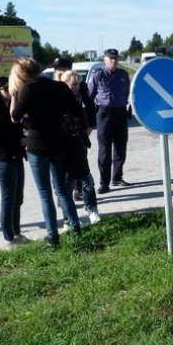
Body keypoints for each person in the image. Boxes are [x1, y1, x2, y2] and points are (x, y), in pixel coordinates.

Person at [9, 57, 82, 248]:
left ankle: (53, 238)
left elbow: (15, 117)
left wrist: (14, 95)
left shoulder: (27, 90)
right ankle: (76, 228)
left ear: (22, 74)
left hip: (37, 146)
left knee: (45, 194)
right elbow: (77, 110)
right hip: (59, 143)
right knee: (63, 190)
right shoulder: (59, 87)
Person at [0, 76, 27, 243]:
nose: (9, 91)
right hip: (2, 160)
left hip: (17, 157)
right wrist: (18, 141)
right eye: (4, 89)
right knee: (8, 198)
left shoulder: (14, 109)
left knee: (18, 198)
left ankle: (16, 233)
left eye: (11, 87)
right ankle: (9, 238)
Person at [52, 57, 96, 202]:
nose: (60, 72)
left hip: (79, 131)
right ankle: (63, 197)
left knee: (81, 162)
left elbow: (89, 105)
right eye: (58, 69)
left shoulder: (79, 85)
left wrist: (90, 126)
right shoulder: (53, 87)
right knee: (64, 168)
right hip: (61, 135)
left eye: (63, 69)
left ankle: (78, 191)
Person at [87, 48, 131, 194]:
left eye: (115, 59)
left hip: (120, 112)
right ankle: (104, 183)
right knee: (104, 150)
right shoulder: (98, 76)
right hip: (104, 113)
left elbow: (126, 93)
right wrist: (90, 118)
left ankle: (117, 177)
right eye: (110, 59)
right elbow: (90, 97)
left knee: (120, 146)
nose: (113, 61)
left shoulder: (123, 75)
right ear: (105, 60)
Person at [60, 70, 100, 224]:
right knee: (67, 183)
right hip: (65, 147)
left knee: (87, 180)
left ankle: (92, 210)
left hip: (80, 144)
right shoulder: (59, 101)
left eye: (78, 84)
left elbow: (89, 114)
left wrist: (88, 128)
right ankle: (67, 218)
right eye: (74, 84)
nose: (77, 87)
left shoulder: (81, 97)